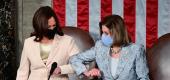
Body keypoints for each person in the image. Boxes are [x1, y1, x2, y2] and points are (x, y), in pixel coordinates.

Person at [70, 14, 150, 80]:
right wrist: (86, 72)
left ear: (117, 33)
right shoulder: (100, 47)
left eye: (106, 33)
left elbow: (144, 78)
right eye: (102, 32)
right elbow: (74, 59)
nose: (102, 36)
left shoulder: (136, 50)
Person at [16, 6, 80, 80]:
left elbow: (80, 64)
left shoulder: (68, 41)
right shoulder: (28, 43)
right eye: (49, 27)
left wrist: (62, 69)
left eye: (54, 26)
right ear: (39, 26)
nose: (52, 29)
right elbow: (22, 72)